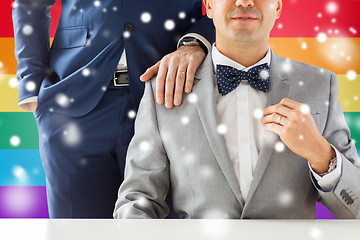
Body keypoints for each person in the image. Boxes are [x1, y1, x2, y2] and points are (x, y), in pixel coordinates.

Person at [114, 0, 360, 219]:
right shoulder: (164, 89)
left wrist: (321, 154)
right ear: (208, 6)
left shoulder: (320, 85)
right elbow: (137, 201)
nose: (245, 2)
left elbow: (356, 206)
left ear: (279, 7)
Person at [12, 0, 215, 218]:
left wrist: (197, 41)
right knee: (77, 234)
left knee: (164, 230)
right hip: (72, 104)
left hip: (169, 98)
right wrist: (32, 89)